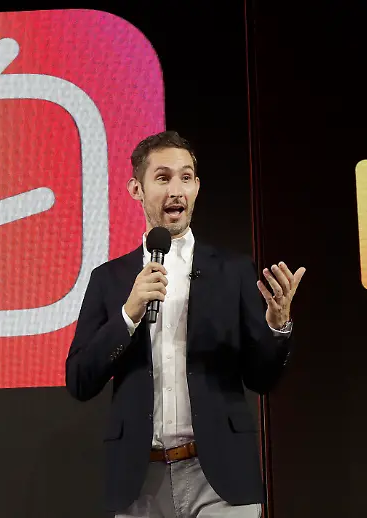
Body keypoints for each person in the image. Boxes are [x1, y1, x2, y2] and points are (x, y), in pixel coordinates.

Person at [65, 131, 305, 517]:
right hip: (139, 480)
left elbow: (263, 379)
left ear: (196, 187)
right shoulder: (109, 279)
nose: (176, 190)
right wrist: (128, 315)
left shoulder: (232, 271)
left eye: (186, 177)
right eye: (162, 178)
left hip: (221, 478)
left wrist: (277, 327)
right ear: (136, 189)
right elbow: (79, 380)